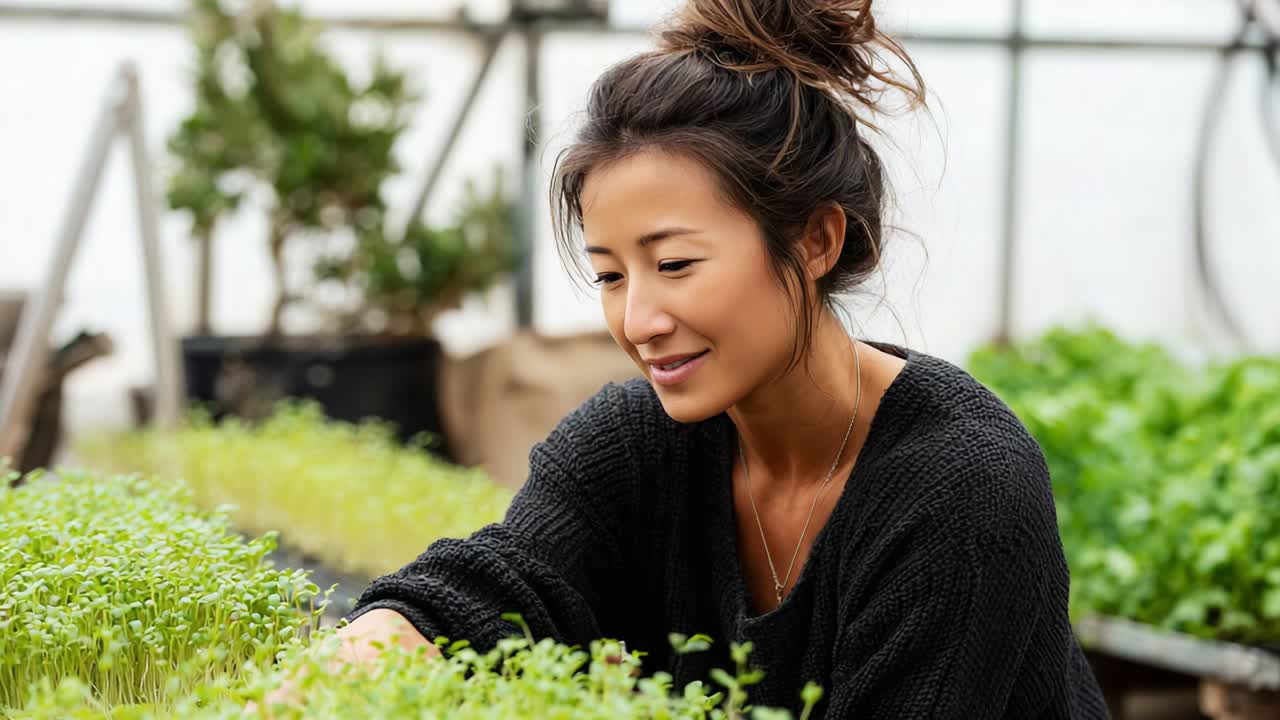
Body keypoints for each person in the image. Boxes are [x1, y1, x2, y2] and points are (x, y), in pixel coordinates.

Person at [327, 1, 1108, 717]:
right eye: (609, 275)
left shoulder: (963, 489)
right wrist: (335, 672)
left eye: (674, 266)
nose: (637, 320)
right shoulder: (635, 444)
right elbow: (495, 587)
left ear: (815, 241)